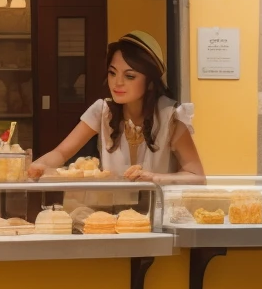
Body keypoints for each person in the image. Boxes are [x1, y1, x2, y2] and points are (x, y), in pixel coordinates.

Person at [29, 31, 205, 184]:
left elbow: (197, 176)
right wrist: (37, 166)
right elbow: (61, 153)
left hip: (159, 213)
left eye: (129, 76)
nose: (117, 82)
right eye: (112, 73)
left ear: (150, 81)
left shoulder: (170, 117)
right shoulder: (102, 111)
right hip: (113, 215)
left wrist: (154, 178)